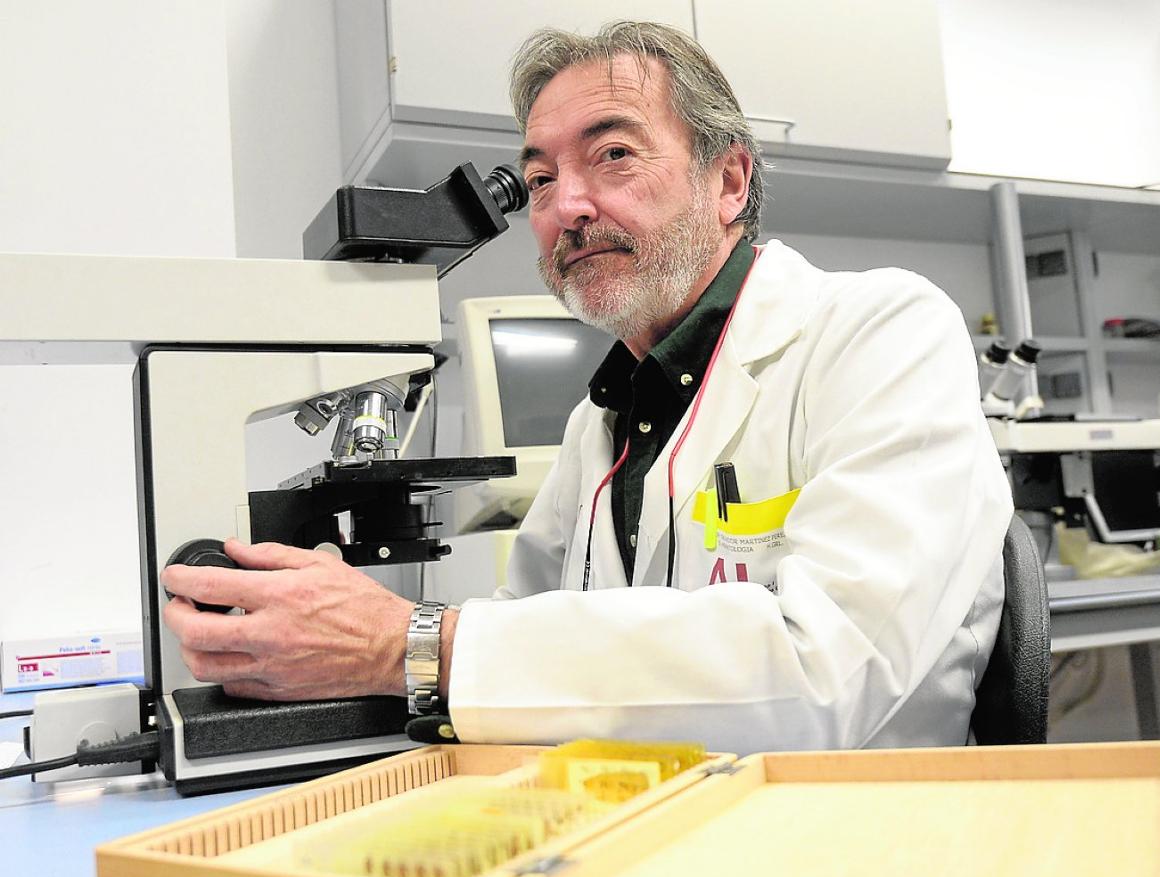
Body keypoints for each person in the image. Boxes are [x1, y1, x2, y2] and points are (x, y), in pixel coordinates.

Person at [162, 22, 1013, 755]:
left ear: (729, 183)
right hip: (649, 838)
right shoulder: (602, 424)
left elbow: (831, 671)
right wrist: (322, 644)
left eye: (613, 155)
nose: (567, 204)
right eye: (537, 181)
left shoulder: (880, 333)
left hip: (858, 858)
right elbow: (525, 633)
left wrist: (407, 644)